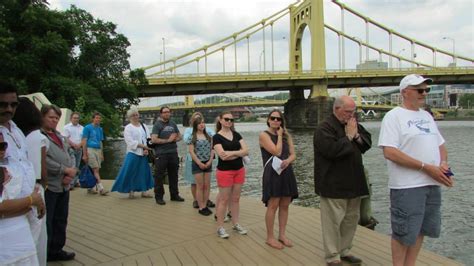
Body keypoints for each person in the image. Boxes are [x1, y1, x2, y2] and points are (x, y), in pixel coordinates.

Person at [378, 74, 453, 266]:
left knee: (420, 230)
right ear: (404, 92)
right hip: (407, 187)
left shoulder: (426, 116)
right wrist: (425, 167)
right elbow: (390, 152)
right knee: (404, 232)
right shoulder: (393, 116)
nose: (424, 94)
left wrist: (443, 163)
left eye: (426, 90)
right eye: (419, 90)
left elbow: (440, 145)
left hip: (431, 183)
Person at [313, 95, 371, 266]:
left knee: (350, 220)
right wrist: (349, 138)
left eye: (353, 111)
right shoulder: (324, 128)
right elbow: (331, 151)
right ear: (336, 109)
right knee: (332, 222)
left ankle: (345, 250)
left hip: (354, 182)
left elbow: (367, 143)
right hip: (333, 184)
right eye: (347, 111)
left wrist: (357, 136)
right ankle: (332, 256)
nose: (351, 115)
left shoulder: (353, 124)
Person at [0, 82, 46, 265]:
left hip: (22, 220)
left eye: (13, 104)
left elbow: (24, 166)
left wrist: (37, 197)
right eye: (2, 104)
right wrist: (30, 201)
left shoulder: (15, 130)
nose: (9, 109)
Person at [12, 97, 49, 265]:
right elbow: (41, 169)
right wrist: (44, 186)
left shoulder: (17, 134)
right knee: (37, 234)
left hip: (18, 190)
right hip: (34, 189)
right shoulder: (37, 136)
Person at [40, 105, 77, 262]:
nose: (54, 120)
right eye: (51, 117)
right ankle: (46, 250)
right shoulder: (39, 136)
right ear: (42, 117)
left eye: (56, 118)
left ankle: (57, 249)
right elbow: (44, 160)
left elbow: (71, 153)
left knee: (61, 219)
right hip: (51, 186)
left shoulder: (60, 136)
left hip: (65, 185)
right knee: (49, 220)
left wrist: (71, 172)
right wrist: (64, 170)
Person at [259, 109, 298, 249]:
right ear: (268, 120)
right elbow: (276, 151)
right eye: (273, 118)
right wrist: (280, 135)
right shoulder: (264, 135)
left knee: (285, 204)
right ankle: (270, 237)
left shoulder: (287, 135)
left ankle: (282, 235)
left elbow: (293, 154)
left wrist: (288, 161)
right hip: (273, 173)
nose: (276, 121)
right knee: (273, 204)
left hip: (286, 170)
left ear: (282, 121)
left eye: (279, 119)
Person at [213, 111, 249, 239]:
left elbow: (246, 151)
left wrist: (232, 153)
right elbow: (223, 157)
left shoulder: (237, 134)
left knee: (236, 199)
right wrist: (239, 152)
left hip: (239, 170)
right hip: (224, 172)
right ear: (221, 120)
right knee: (224, 200)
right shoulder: (216, 137)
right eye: (226, 119)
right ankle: (220, 227)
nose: (229, 122)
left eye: (231, 120)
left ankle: (236, 223)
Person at [111, 107, 154, 198]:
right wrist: (142, 146)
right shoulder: (128, 128)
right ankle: (131, 190)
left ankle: (144, 191)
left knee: (143, 172)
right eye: (133, 115)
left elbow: (148, 138)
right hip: (133, 152)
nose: (135, 116)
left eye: (136, 115)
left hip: (143, 153)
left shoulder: (144, 126)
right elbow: (129, 141)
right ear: (130, 117)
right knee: (130, 171)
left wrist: (147, 148)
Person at [151, 106, 184, 205]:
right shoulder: (157, 125)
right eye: (165, 112)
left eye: (168, 112)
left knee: (174, 175)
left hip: (173, 152)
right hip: (161, 154)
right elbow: (154, 139)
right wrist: (168, 140)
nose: (167, 114)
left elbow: (180, 136)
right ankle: (159, 197)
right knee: (159, 176)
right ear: (161, 114)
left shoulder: (173, 123)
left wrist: (174, 139)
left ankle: (174, 195)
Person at [183, 112, 215, 209]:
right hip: (193, 160)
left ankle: (205, 200)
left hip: (207, 159)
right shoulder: (189, 131)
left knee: (206, 184)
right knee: (194, 182)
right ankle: (196, 200)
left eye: (201, 120)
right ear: (193, 121)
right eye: (197, 119)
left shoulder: (207, 131)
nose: (201, 123)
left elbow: (214, 138)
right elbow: (186, 141)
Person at [81, 112, 108, 195]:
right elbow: (84, 141)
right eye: (96, 118)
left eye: (99, 118)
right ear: (93, 119)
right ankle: (101, 189)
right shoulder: (87, 128)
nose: (98, 119)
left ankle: (90, 188)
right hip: (90, 149)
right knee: (95, 169)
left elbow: (100, 142)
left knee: (94, 169)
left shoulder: (100, 129)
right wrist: (84, 154)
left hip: (98, 150)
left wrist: (102, 154)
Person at [63, 112, 83, 189]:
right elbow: (65, 138)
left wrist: (80, 145)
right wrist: (74, 145)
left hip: (79, 148)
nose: (76, 119)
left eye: (77, 118)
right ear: (71, 118)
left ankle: (75, 181)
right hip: (70, 148)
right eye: (74, 118)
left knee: (77, 165)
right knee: (72, 165)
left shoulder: (82, 128)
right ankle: (70, 184)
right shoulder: (66, 127)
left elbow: (84, 139)